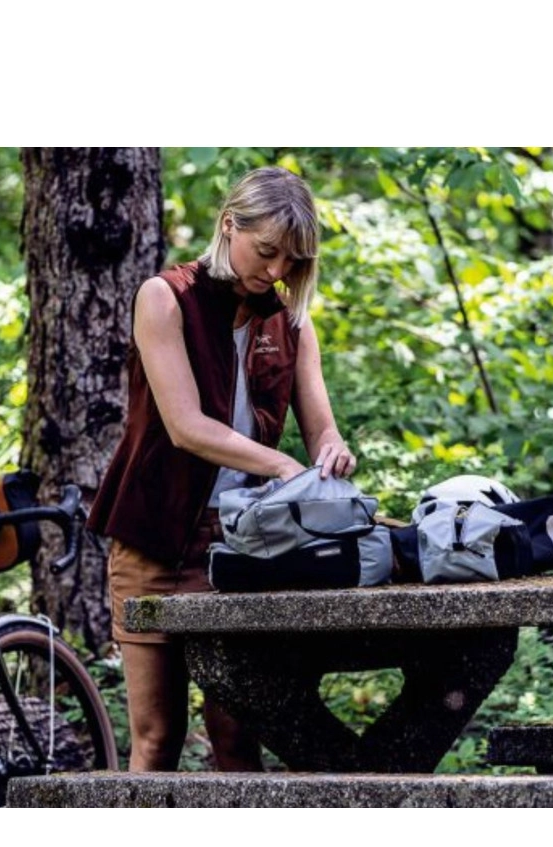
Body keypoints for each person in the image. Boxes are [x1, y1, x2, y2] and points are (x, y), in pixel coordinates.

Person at [87, 166, 357, 772]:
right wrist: (281, 464)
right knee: (158, 737)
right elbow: (186, 427)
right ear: (230, 224)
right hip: (154, 543)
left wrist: (332, 451)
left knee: (238, 735)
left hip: (243, 548)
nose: (277, 270)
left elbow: (322, 429)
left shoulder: (291, 321)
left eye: (292, 261)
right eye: (267, 251)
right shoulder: (165, 298)